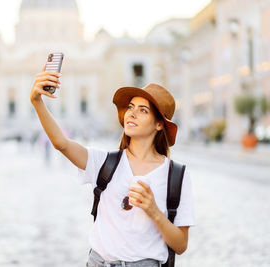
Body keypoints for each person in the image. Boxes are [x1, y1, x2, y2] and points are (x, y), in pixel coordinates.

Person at [30, 64, 195, 267]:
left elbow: (180, 245)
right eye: (131, 108)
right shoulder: (105, 163)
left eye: (142, 110)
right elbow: (61, 143)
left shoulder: (176, 176)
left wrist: (153, 211)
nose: (132, 114)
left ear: (159, 124)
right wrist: (37, 101)